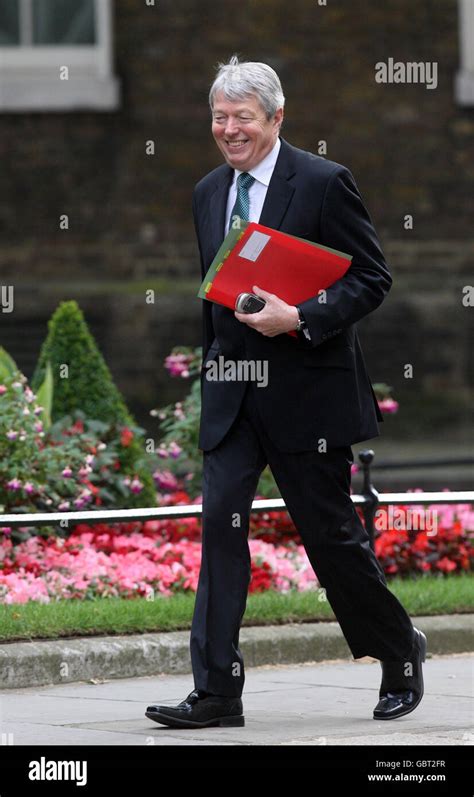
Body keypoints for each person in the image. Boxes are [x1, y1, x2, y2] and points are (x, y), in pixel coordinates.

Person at [145, 55, 426, 729]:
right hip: (233, 397)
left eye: (244, 117)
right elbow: (212, 298)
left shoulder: (326, 183)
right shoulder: (209, 191)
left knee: (330, 539)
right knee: (220, 532)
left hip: (308, 397)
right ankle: (216, 691)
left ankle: (399, 651)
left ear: (276, 117)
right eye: (220, 116)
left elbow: (371, 278)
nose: (230, 129)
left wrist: (299, 318)